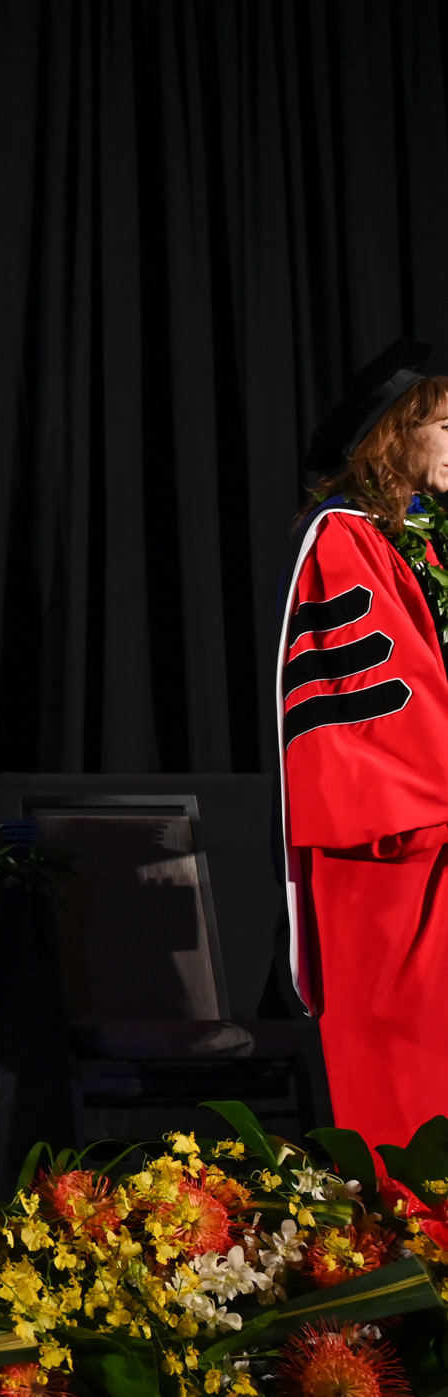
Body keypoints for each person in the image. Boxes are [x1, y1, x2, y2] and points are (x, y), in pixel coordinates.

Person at [279, 338, 448, 1153]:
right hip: (392, 855)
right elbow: (386, 708)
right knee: (410, 1101)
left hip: (432, 842)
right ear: (396, 431)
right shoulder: (344, 541)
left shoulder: (423, 542)